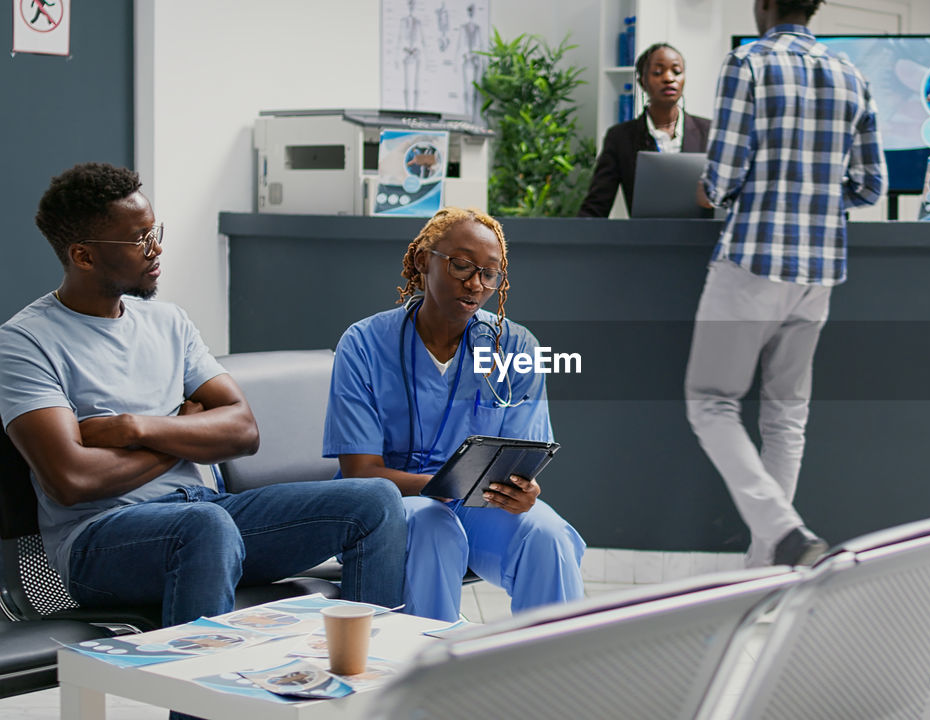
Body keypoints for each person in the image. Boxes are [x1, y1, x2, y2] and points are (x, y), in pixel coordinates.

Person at [0, 163, 408, 629]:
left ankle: (365, 688)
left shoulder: (169, 321)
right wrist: (182, 430)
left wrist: (136, 428)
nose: (156, 249)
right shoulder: (25, 343)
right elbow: (70, 479)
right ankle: (204, 703)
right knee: (204, 528)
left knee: (374, 500)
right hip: (102, 540)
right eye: (137, 240)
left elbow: (242, 430)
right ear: (84, 256)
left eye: (155, 232)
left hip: (206, 512)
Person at [687, 0, 887, 568]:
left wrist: (716, 190)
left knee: (711, 404)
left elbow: (721, 177)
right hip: (818, 272)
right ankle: (768, 569)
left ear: (764, 5)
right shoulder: (853, 75)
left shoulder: (747, 63)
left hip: (752, 263)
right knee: (785, 416)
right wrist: (817, 202)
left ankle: (784, 532)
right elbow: (871, 187)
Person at [323, 207, 585, 621]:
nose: (475, 284)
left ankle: (553, 675)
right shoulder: (364, 344)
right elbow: (359, 471)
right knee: (433, 526)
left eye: (489, 273)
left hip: (477, 503)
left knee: (546, 534)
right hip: (392, 503)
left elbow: (521, 457)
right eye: (462, 265)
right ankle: (429, 668)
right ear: (424, 260)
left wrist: (523, 491)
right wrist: (440, 486)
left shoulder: (515, 348)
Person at [578, 42, 712, 217]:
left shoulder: (710, 132)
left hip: (701, 240)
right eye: (658, 72)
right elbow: (596, 207)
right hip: (645, 239)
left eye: (676, 71)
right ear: (642, 81)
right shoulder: (620, 138)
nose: (668, 78)